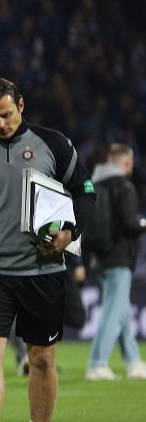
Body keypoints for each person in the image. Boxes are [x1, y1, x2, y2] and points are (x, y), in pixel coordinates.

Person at [0, 77, 94, 422]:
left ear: (21, 105)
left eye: (5, 115)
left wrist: (70, 235)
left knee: (42, 360)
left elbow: (84, 191)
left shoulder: (53, 144)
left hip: (41, 269)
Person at [86, 143, 146, 380]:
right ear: (127, 163)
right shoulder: (124, 187)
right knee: (113, 313)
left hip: (98, 257)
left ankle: (133, 361)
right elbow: (130, 224)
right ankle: (97, 363)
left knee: (120, 311)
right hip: (120, 258)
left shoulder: (96, 184)